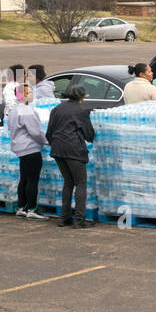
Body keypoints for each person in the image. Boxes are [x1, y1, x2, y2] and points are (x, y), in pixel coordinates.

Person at [46, 83, 96, 229]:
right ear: (81, 98)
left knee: (68, 182)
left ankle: (64, 217)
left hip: (57, 149)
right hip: (73, 150)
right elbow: (89, 135)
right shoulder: (81, 111)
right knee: (81, 183)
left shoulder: (56, 109)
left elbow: (49, 132)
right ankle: (79, 219)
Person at [5, 90, 49, 220]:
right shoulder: (27, 111)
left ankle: (21, 206)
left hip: (19, 148)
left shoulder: (14, 110)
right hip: (30, 148)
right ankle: (32, 208)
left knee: (24, 178)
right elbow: (36, 132)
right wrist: (47, 141)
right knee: (32, 179)